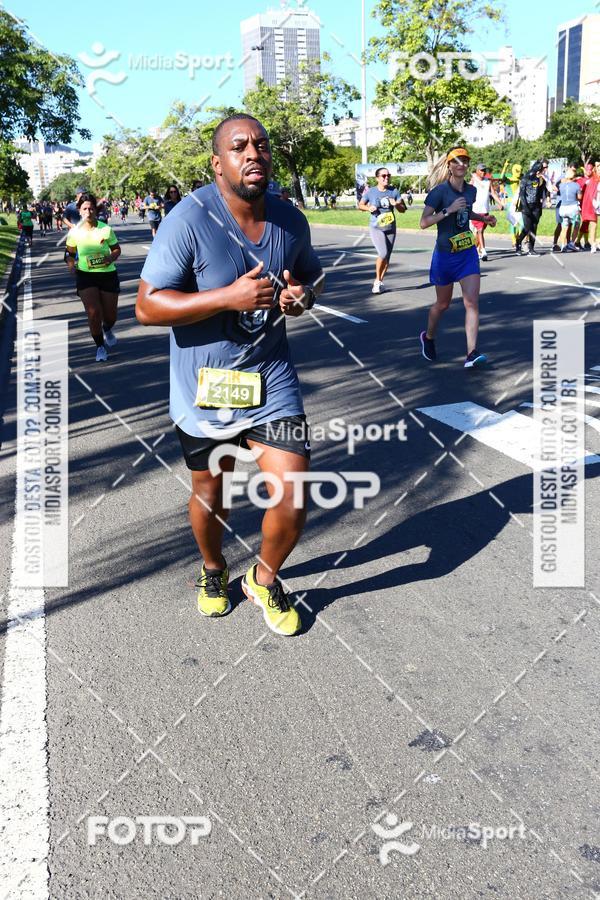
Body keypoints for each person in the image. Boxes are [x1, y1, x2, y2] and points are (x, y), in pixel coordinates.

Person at [136, 113, 324, 636]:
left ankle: (263, 579)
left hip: (271, 378)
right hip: (206, 387)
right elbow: (147, 308)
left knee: (293, 492)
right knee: (210, 493)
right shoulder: (187, 219)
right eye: (239, 146)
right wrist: (228, 297)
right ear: (218, 164)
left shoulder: (290, 219)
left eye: (261, 145)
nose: (253, 153)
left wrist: (302, 296)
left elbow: (311, 276)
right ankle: (213, 569)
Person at [419, 147, 496, 368]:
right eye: (457, 161)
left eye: (464, 161)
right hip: (444, 255)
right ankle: (429, 337)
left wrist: (483, 217)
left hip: (466, 254)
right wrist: (448, 210)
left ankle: (471, 353)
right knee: (442, 305)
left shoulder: (471, 191)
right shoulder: (439, 192)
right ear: (449, 166)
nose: (461, 164)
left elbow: (466, 212)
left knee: (471, 302)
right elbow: (423, 222)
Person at [65, 193, 122, 362]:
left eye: (91, 208)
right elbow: (69, 253)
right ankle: (100, 347)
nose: (88, 211)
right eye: (84, 208)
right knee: (93, 313)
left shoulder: (106, 229)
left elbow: (117, 249)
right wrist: (70, 265)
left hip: (107, 275)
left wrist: (110, 258)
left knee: (110, 316)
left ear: (95, 210)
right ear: (79, 211)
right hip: (85, 276)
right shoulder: (74, 232)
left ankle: (107, 328)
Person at [358, 167, 407, 294]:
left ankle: (379, 281)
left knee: (387, 257)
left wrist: (396, 204)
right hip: (376, 227)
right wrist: (368, 208)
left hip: (390, 227)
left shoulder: (394, 191)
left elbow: (403, 209)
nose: (386, 178)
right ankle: (378, 281)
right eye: (383, 176)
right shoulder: (371, 192)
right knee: (383, 253)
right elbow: (360, 205)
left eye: (388, 175)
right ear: (377, 178)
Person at [515, 160, 554, 256]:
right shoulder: (525, 179)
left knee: (534, 227)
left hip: (536, 206)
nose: (540, 172)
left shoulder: (540, 179)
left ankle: (531, 248)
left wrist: (545, 201)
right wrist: (525, 207)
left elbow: (545, 190)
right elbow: (522, 195)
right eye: (540, 170)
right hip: (526, 206)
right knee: (527, 227)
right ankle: (518, 243)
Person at [470, 164, 504, 260]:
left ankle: (473, 250)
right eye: (481, 170)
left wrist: (499, 203)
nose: (483, 172)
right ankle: (483, 251)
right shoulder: (473, 181)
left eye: (484, 170)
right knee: (480, 230)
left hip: (485, 211)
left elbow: (493, 193)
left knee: (479, 232)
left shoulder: (488, 182)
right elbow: (467, 191)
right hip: (475, 211)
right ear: (477, 171)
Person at [553, 166, 582, 252]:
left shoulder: (561, 185)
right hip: (572, 208)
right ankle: (571, 243)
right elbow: (579, 197)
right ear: (574, 176)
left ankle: (562, 245)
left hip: (563, 208)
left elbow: (557, 188)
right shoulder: (576, 185)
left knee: (564, 227)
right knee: (577, 224)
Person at [580, 162, 600, 252]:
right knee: (593, 225)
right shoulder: (593, 179)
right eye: (598, 168)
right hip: (594, 204)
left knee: (592, 225)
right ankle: (593, 244)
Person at [574, 163, 594, 250]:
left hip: (592, 204)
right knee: (585, 222)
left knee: (587, 223)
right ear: (585, 170)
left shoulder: (594, 179)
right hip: (583, 205)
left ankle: (584, 242)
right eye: (587, 169)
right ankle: (579, 242)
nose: (589, 171)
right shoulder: (580, 180)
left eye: (591, 169)